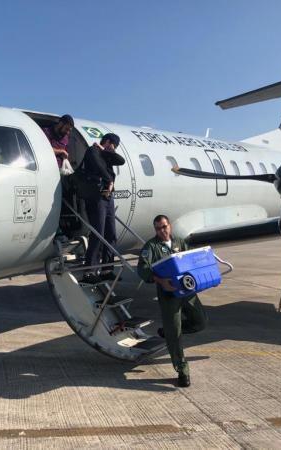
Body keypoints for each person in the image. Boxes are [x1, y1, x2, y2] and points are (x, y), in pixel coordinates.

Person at [137, 215, 207, 388]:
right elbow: (143, 269)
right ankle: (182, 370)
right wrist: (160, 281)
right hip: (169, 296)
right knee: (175, 335)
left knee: (200, 322)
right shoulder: (151, 247)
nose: (162, 231)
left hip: (187, 292)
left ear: (170, 226)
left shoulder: (180, 242)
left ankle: (167, 332)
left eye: (164, 226)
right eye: (158, 228)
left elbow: (191, 261)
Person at [81, 133, 125, 283]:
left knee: (111, 233)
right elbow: (99, 167)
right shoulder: (92, 151)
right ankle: (89, 271)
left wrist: (106, 151)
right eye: (114, 145)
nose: (115, 149)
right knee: (98, 233)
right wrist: (109, 180)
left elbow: (121, 160)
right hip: (97, 197)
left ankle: (107, 269)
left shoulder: (106, 154)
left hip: (108, 198)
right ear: (108, 142)